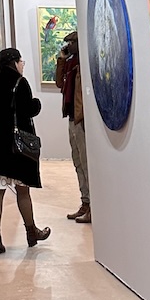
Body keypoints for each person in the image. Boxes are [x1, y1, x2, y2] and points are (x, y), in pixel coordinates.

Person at [0, 47, 50, 256]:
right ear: (14, 62)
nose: (23, 64)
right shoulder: (20, 83)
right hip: (18, 150)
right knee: (23, 191)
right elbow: (28, 110)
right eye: (21, 61)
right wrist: (37, 104)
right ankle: (31, 232)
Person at [55, 30, 90, 223]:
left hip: (81, 119)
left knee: (86, 163)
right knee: (77, 162)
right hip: (71, 117)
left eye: (71, 43)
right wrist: (61, 60)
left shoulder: (83, 64)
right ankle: (84, 202)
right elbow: (59, 82)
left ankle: (92, 205)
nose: (68, 46)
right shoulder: (70, 63)